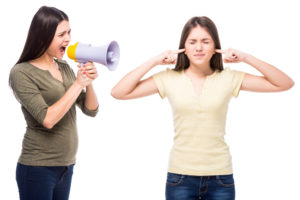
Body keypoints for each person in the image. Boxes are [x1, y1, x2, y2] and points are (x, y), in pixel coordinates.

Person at [111, 16, 294, 200]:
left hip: (220, 178)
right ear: (184, 47)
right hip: (180, 178)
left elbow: (284, 83)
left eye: (205, 41)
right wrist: (154, 61)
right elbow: (119, 92)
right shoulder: (168, 78)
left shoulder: (229, 77)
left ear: (215, 46)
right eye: (192, 42)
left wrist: (246, 58)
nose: (199, 48)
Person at [9, 6, 99, 200]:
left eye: (69, 32)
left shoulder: (64, 67)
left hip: (66, 166)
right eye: (61, 34)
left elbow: (90, 110)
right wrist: (77, 84)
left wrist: (88, 83)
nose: (68, 39)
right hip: (37, 168)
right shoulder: (21, 73)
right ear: (43, 36)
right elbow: (47, 119)